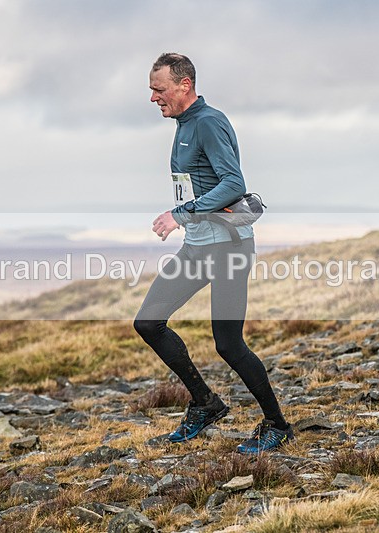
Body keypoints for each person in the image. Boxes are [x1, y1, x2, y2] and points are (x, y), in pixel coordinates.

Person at [133, 53, 294, 454]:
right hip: (199, 247)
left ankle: (277, 425)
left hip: (228, 248)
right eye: (152, 89)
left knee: (228, 344)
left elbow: (233, 183)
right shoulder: (184, 123)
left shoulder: (207, 122)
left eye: (159, 89)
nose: (153, 97)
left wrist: (180, 214)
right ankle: (206, 404)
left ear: (184, 85)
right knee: (148, 322)